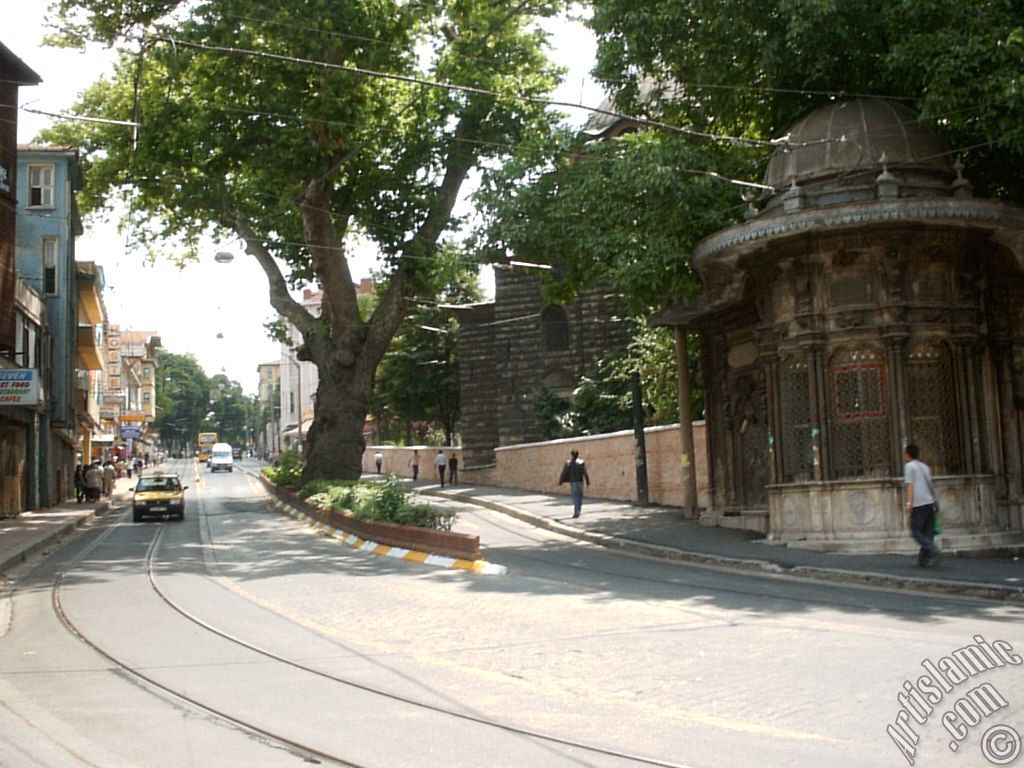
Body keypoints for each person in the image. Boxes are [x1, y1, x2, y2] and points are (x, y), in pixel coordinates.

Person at [904, 443, 940, 567]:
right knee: (927, 532)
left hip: (918, 504)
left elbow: (910, 486)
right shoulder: (925, 467)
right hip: (929, 502)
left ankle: (932, 548)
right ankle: (923, 561)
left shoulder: (909, 466)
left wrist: (909, 503)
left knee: (916, 532)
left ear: (908, 454)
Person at [558, 449, 591, 519]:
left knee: (575, 497)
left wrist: (560, 481)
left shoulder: (568, 463)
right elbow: (585, 472)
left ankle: (576, 512)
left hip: (573, 482)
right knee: (579, 497)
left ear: (572, 455)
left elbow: (564, 473)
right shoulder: (581, 462)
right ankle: (578, 511)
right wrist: (587, 480)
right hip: (580, 482)